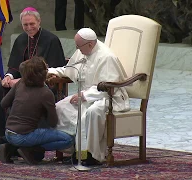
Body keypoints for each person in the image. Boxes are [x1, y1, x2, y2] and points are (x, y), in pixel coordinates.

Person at [0, 7, 66, 153]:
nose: (29, 28)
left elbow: (53, 71)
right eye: (25, 25)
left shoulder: (51, 40)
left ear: (39, 22)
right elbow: (14, 66)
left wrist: (22, 81)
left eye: (32, 24)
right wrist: (8, 76)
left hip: (43, 85)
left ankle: (16, 140)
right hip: (21, 84)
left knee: (26, 95)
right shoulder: (21, 39)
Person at [47, 28, 130, 166]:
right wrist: (49, 71)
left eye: (79, 46)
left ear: (90, 44)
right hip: (85, 95)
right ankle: (73, 150)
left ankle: (93, 155)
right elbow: (69, 69)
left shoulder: (107, 57)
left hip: (108, 98)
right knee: (60, 108)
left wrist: (85, 95)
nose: (77, 49)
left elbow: (110, 86)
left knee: (91, 113)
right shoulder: (83, 50)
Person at [0, 57, 73, 165]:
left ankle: (12, 147)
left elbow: (3, 103)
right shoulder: (46, 93)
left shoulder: (20, 83)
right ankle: (29, 150)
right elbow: (53, 122)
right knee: (68, 140)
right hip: (24, 135)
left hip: (8, 131)